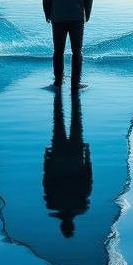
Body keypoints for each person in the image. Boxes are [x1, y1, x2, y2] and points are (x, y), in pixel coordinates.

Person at [43, 91, 92, 238]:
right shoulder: (52, 205)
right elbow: (47, 181)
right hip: (60, 158)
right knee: (59, 120)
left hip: (74, 158)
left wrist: (87, 156)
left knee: (74, 120)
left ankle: (63, 88)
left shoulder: (81, 206)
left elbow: (87, 179)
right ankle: (73, 88)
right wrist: (47, 159)